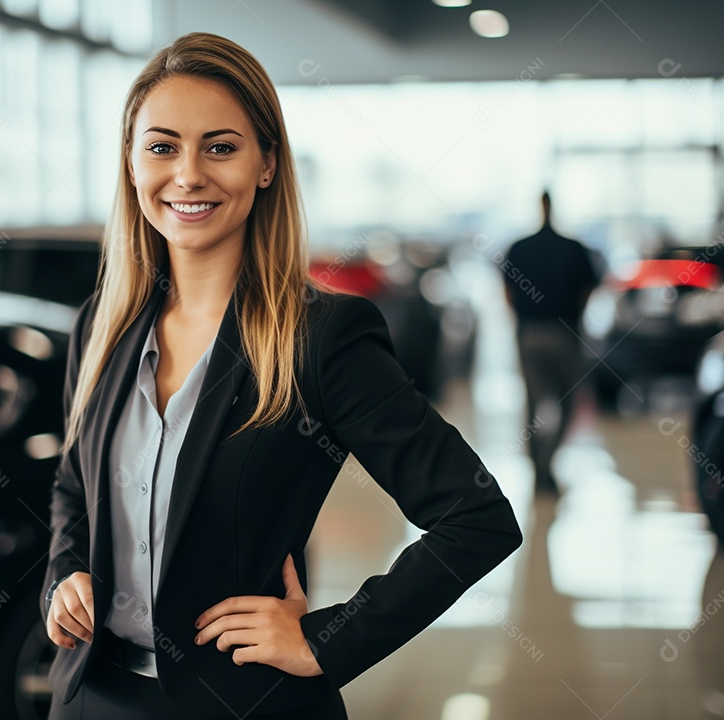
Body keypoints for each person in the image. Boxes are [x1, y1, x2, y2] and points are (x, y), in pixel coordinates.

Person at [41, 31, 522, 719]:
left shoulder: (319, 337)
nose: (188, 175)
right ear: (130, 161)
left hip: (242, 701)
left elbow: (474, 516)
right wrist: (64, 574)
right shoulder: (102, 326)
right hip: (93, 696)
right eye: (162, 145)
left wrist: (328, 639)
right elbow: (71, 485)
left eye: (221, 146)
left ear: (266, 163)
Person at [502, 191, 602, 495]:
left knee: (533, 403)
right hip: (564, 333)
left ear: (538, 205)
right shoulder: (573, 249)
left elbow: (507, 292)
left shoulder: (519, 248)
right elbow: (589, 289)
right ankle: (549, 461)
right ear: (553, 206)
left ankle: (538, 470)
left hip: (531, 333)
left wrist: (521, 322)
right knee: (568, 403)